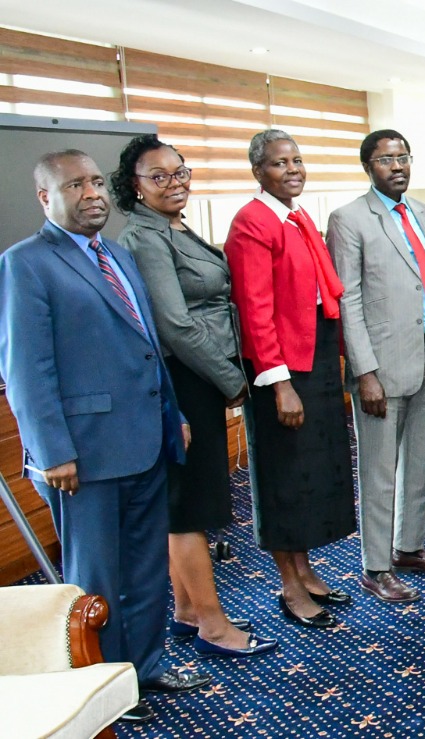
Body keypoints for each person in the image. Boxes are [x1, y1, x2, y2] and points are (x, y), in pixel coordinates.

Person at [0, 150, 211, 724]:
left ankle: (143, 667)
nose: (92, 192)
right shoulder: (25, 264)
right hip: (83, 456)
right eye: (75, 185)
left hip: (144, 440)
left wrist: (174, 415)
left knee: (144, 567)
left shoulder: (115, 253)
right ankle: (100, 684)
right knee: (96, 578)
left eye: (96, 181)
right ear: (46, 197)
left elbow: (146, 346)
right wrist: (52, 452)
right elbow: (26, 369)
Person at [113, 135, 275, 657]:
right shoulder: (145, 236)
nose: (173, 183)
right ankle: (213, 624)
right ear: (134, 187)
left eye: (178, 172)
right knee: (189, 507)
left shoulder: (173, 227)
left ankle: (186, 611)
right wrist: (233, 381)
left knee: (187, 501)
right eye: (158, 177)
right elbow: (175, 326)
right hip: (186, 378)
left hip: (202, 374)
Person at [226, 129, 354, 629]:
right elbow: (255, 310)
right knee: (283, 477)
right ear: (258, 171)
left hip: (315, 357)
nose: (293, 169)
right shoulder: (251, 223)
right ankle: (288, 586)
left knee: (309, 474)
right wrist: (279, 384)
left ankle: (305, 569)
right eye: (280, 163)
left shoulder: (297, 217)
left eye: (297, 160)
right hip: (279, 369)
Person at [329, 129, 425, 602]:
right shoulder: (349, 219)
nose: (398, 166)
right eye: (386, 159)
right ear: (368, 166)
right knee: (380, 468)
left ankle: (410, 547)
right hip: (381, 367)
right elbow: (348, 299)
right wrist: (365, 372)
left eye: (403, 157)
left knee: (421, 460)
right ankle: (376, 564)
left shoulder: (423, 215)